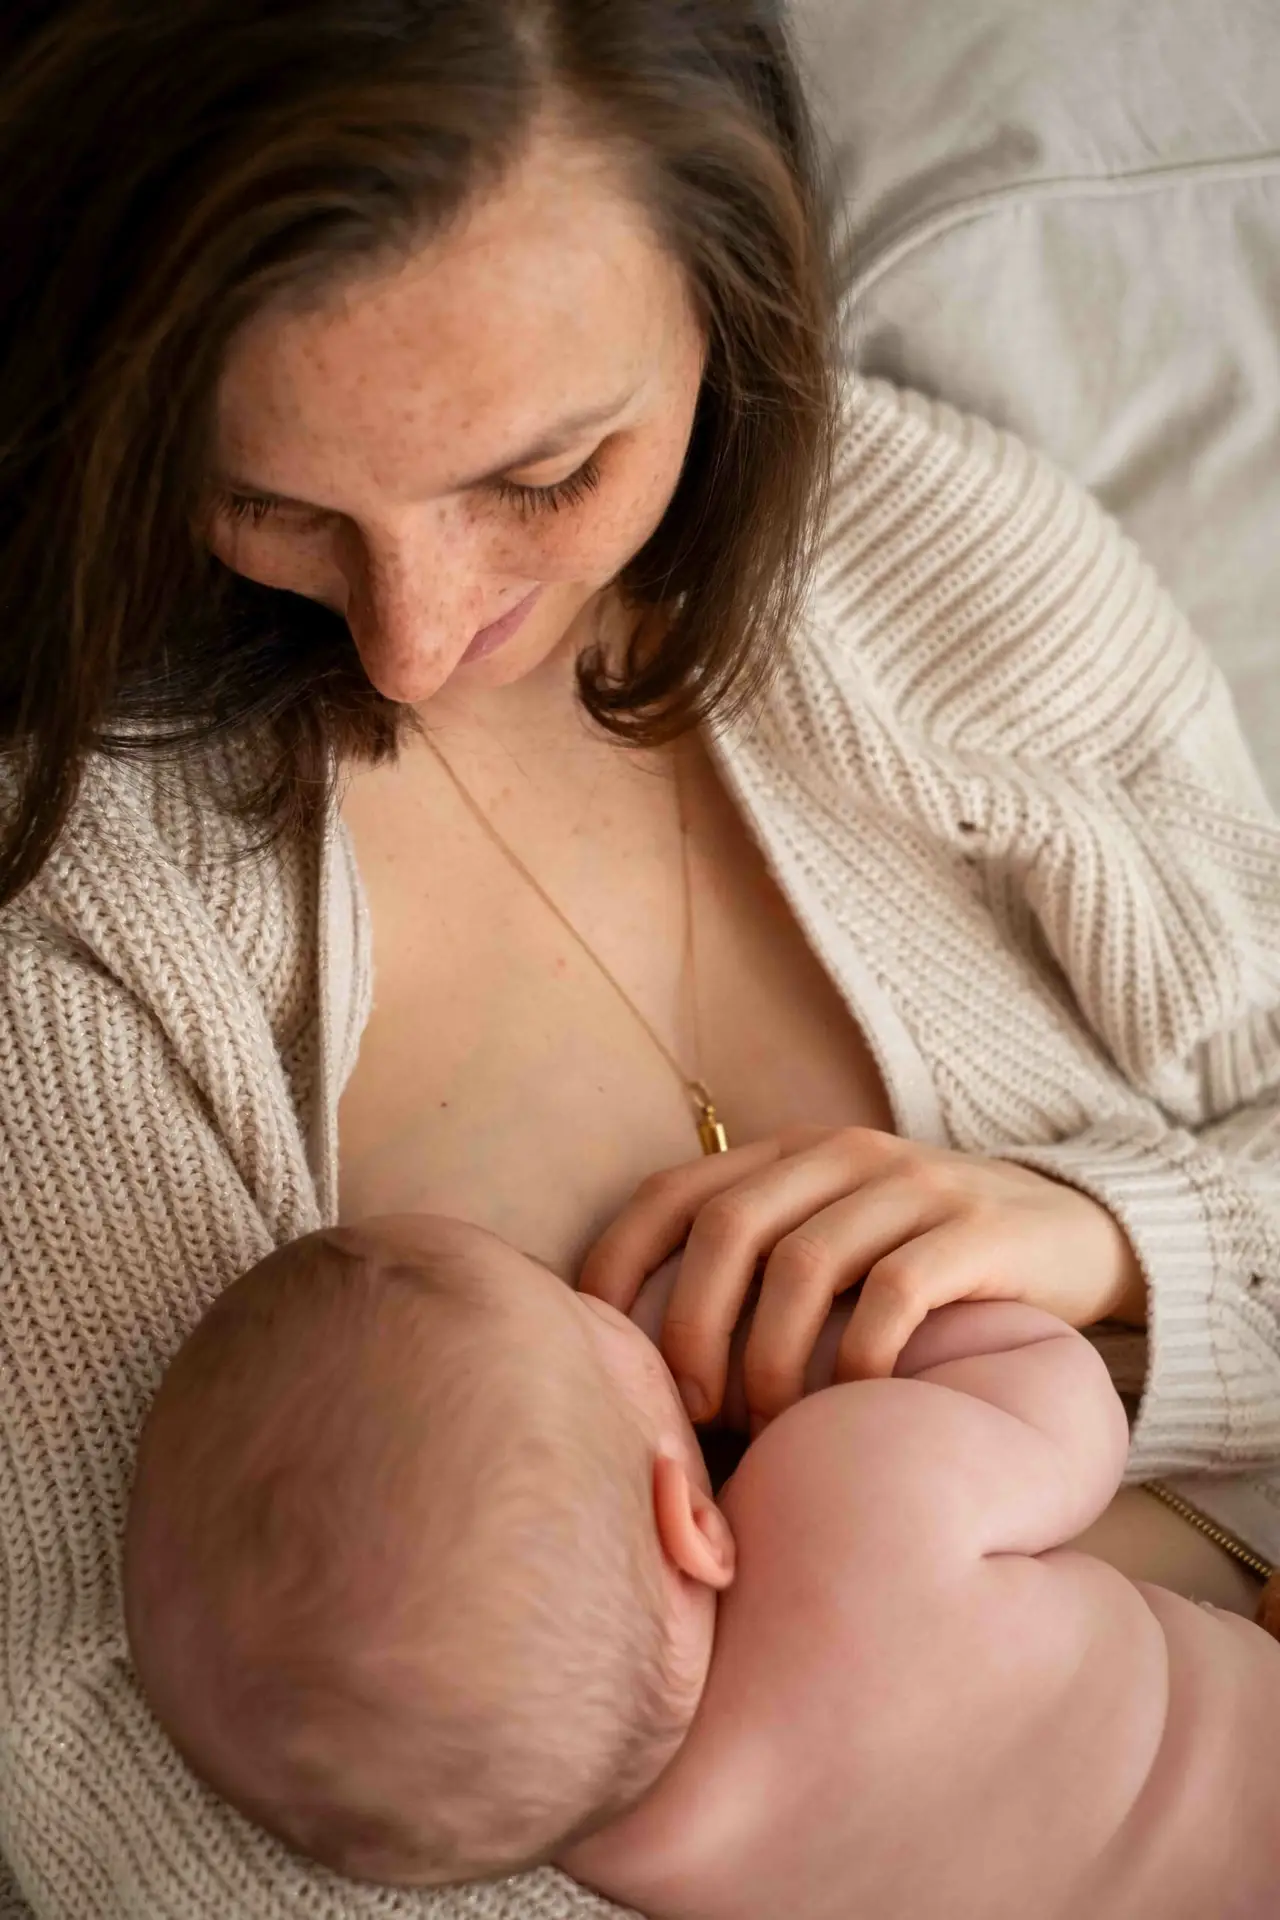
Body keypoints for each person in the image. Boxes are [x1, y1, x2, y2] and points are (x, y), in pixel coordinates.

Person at [0, 2, 1278, 1915]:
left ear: (728, 291)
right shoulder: (70, 909)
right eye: (267, 498)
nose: (419, 640)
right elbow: (116, 1763)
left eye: (541, 473)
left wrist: (1118, 1250)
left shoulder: (952, 571)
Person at [123, 1213, 1280, 1920]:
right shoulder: (841, 1495)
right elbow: (1060, 1396)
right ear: (691, 1522)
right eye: (591, 1327)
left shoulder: (623, 1854)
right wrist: (845, 1343)